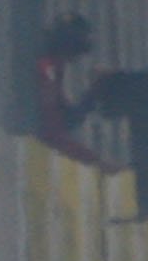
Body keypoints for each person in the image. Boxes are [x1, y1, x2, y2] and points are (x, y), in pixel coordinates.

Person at [38, 14, 102, 161]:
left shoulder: (52, 71)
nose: (71, 61)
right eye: (73, 54)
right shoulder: (47, 69)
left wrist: (93, 94)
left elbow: (67, 117)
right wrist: (95, 161)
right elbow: (54, 130)